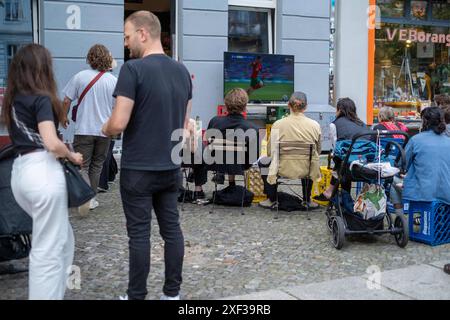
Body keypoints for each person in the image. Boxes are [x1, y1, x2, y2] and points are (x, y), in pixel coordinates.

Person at [102, 11, 192, 300]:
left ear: (143, 33)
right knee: (172, 232)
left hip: (138, 168)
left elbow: (118, 123)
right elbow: (184, 126)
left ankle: (136, 295)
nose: (126, 45)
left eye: (127, 38)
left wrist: (105, 126)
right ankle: (171, 295)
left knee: (139, 235)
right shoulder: (182, 72)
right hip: (170, 169)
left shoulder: (132, 70)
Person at [1, 44, 83, 299]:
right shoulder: (42, 99)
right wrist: (72, 155)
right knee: (47, 249)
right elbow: (51, 142)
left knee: (63, 239)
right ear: (42, 68)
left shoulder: (13, 100)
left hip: (21, 173)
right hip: (43, 173)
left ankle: (62, 288)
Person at [62, 44, 117, 215]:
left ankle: (84, 198)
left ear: (90, 58)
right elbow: (118, 107)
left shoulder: (80, 77)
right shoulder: (113, 81)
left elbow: (66, 100)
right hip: (104, 131)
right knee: (97, 165)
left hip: (84, 129)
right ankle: (91, 199)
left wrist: (63, 117)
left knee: (82, 165)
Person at [190, 88, 258, 201]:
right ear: (245, 106)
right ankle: (232, 183)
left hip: (215, 163)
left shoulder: (215, 121)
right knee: (236, 155)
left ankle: (223, 184)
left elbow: (208, 142)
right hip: (240, 165)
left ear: (226, 105)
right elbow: (253, 157)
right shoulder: (252, 128)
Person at [258, 91, 322, 209]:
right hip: (306, 169)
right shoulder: (315, 125)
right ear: (306, 107)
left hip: (282, 168)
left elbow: (270, 151)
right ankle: (307, 199)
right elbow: (318, 151)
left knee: (263, 162)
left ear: (288, 105)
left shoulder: (277, 124)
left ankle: (271, 199)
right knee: (312, 160)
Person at [313, 97, 373, 201]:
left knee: (341, 160)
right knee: (345, 159)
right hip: (365, 166)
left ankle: (334, 194)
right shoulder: (363, 125)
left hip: (347, 168)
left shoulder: (334, 125)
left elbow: (336, 148)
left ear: (339, 110)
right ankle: (335, 194)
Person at [402, 107, 450, 205]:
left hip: (423, 195)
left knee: (394, 183)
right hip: (446, 195)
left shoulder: (415, 140)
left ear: (424, 121)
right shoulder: (448, 141)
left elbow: (403, 165)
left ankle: (400, 214)